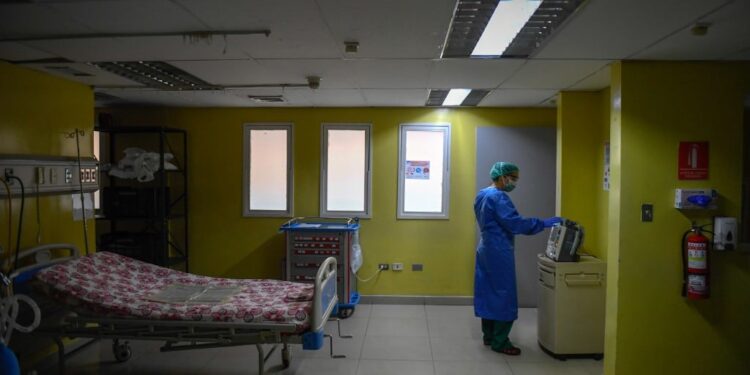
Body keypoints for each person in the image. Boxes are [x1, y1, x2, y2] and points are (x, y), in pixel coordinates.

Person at [473, 161, 561, 355]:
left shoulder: (482, 194)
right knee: (504, 294)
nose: (514, 182)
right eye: (512, 178)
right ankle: (500, 342)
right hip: (499, 250)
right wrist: (543, 223)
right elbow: (515, 224)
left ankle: (489, 336)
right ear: (502, 176)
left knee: (489, 292)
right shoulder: (499, 198)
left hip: (485, 248)